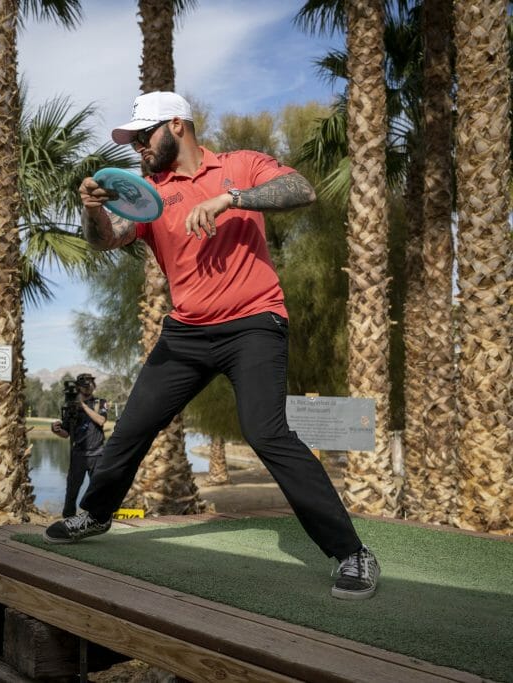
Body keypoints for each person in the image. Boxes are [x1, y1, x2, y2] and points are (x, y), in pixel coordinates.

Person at [43, 91, 381, 601]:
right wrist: (90, 209)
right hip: (185, 333)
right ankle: (94, 515)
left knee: (266, 433)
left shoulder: (241, 166)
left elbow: (302, 189)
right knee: (133, 425)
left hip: (254, 325)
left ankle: (352, 554)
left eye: (143, 136)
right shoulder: (148, 195)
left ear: (177, 125)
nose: (137, 148)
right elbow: (104, 240)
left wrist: (232, 198)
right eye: (132, 140)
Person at [50, 373, 108, 518]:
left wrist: (82, 406)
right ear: (78, 387)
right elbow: (66, 434)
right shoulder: (71, 407)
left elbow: (101, 420)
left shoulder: (100, 402)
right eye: (84, 384)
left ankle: (96, 519)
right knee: (72, 490)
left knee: (98, 489)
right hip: (78, 454)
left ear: (94, 386)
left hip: (97, 454)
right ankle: (68, 520)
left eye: (90, 383)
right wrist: (56, 430)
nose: (88, 386)